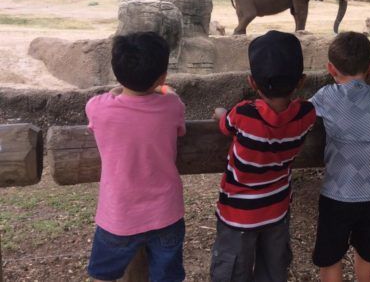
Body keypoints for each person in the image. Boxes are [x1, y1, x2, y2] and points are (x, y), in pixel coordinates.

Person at [210, 30, 317, 282]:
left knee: (233, 271)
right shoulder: (306, 115)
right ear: (300, 81)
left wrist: (219, 112)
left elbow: (225, 123)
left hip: (237, 214)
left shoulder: (243, 114)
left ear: (252, 83)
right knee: (272, 270)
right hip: (277, 210)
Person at [85, 32, 186, 282]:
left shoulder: (98, 108)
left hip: (118, 215)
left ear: (116, 72)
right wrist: (163, 89)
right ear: (162, 77)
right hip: (166, 215)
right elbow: (171, 99)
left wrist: (120, 88)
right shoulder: (173, 107)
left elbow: (109, 95)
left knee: (102, 275)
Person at [309, 32, 370, 282]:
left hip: (338, 195)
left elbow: (303, 113)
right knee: (368, 251)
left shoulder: (326, 96)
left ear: (330, 68)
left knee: (330, 256)